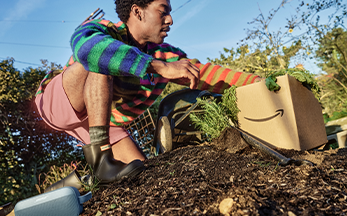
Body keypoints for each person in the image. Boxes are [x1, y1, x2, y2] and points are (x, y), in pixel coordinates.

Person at [35, 0, 260, 186]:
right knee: (101, 59)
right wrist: (158, 67)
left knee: (142, 173)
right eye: (163, 11)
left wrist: (260, 83)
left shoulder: (167, 55)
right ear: (137, 12)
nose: (170, 20)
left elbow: (206, 74)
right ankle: (102, 159)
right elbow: (89, 50)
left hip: (102, 122)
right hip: (59, 104)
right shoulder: (103, 29)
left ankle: (77, 183)